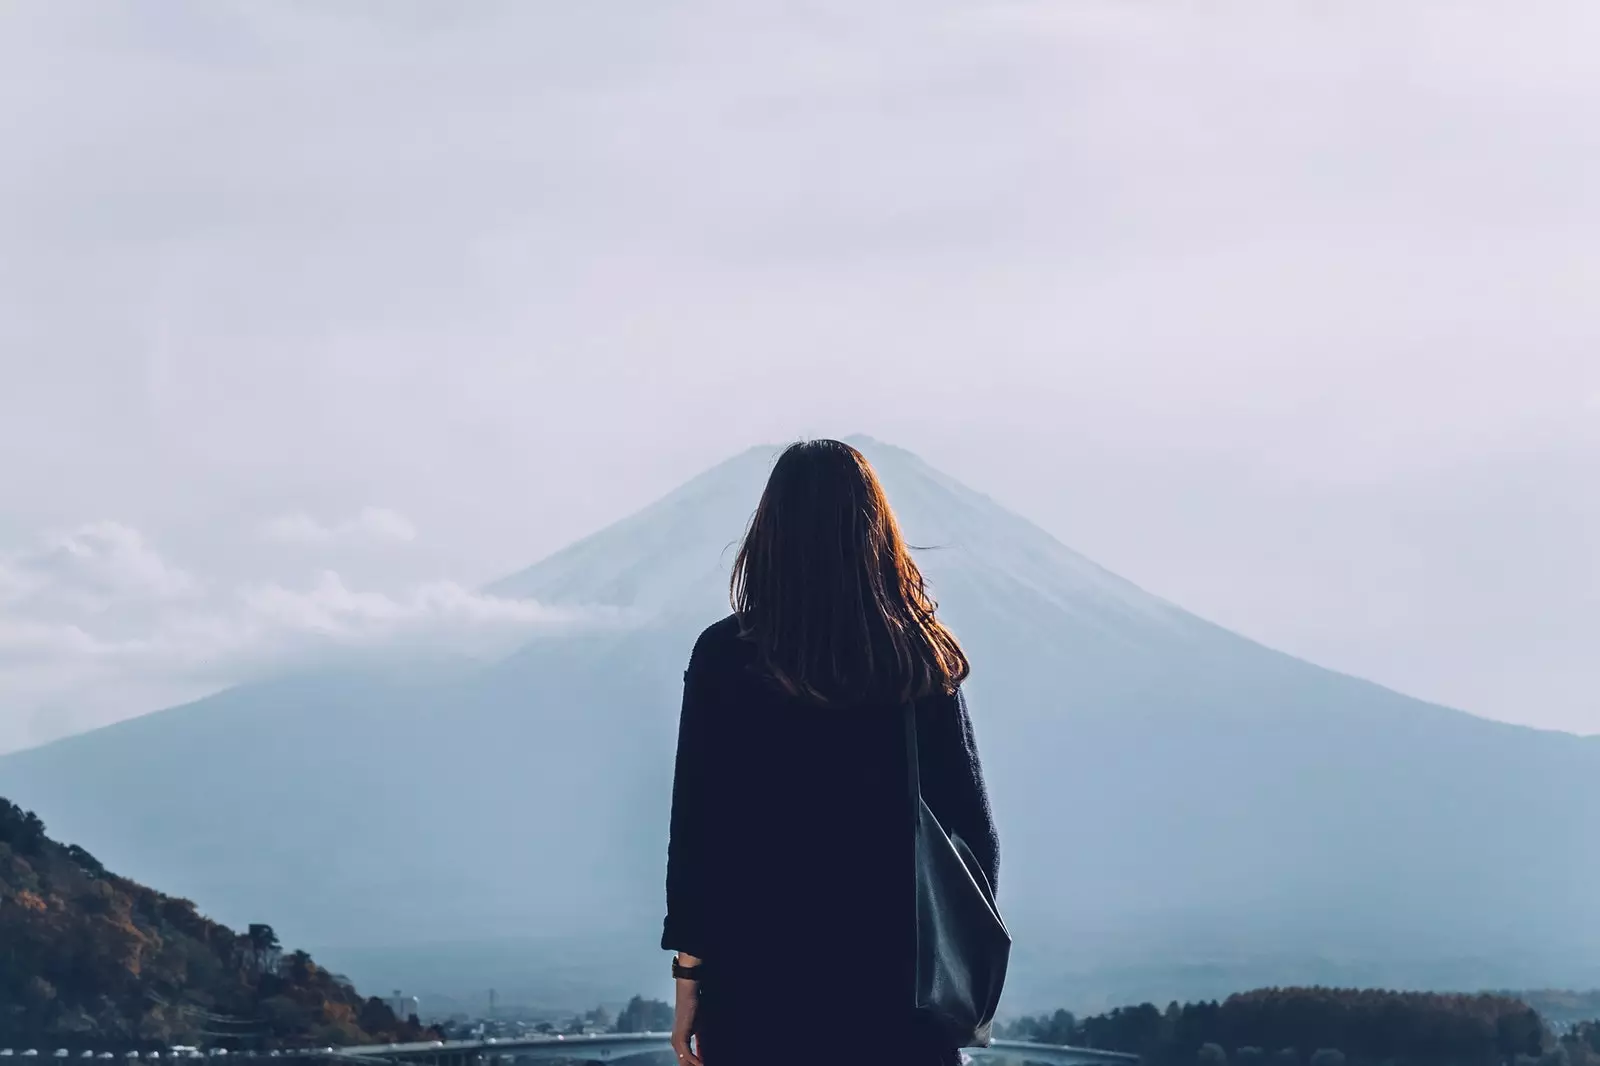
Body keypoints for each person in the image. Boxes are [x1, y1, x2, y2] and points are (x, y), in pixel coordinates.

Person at [660, 438, 1001, 1066]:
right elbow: (973, 835)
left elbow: (698, 836)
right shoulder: (918, 657)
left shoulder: (727, 657)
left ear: (771, 532)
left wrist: (689, 979)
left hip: (759, 990)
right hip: (903, 995)